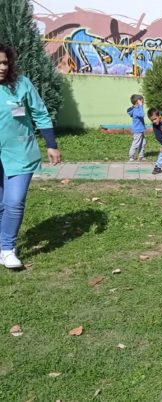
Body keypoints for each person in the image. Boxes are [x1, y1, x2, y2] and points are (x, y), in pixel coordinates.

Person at [0, 43, 61, 268]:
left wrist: (51, 144)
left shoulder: (21, 84)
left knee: (14, 201)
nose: (2, 67)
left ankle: (7, 249)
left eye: (5, 62)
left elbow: (40, 113)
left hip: (20, 151)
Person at [127, 94, 146, 162]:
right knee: (136, 143)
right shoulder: (136, 110)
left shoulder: (137, 109)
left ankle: (141, 156)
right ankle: (131, 156)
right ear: (138, 101)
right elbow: (142, 114)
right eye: (142, 101)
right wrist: (141, 106)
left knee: (143, 143)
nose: (143, 102)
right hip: (138, 130)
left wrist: (140, 106)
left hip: (141, 129)